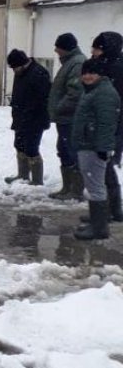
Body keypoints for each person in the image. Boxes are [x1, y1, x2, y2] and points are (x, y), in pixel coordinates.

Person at [71, 58, 121, 239]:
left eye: (92, 73)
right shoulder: (93, 90)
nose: (87, 76)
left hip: (94, 147)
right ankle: (96, 221)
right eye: (85, 73)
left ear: (100, 74)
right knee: (93, 185)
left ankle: (99, 228)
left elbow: (107, 124)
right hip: (88, 144)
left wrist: (103, 148)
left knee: (96, 186)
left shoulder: (104, 93)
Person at [47, 32, 85, 199]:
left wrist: (59, 108)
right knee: (63, 150)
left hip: (70, 118)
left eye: (58, 47)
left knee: (70, 151)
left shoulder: (76, 64)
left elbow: (75, 93)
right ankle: (67, 188)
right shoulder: (70, 62)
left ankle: (74, 190)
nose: (55, 50)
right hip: (65, 118)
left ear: (66, 48)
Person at [90, 31, 123, 223]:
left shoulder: (116, 69)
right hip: (103, 124)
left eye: (96, 48)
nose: (93, 52)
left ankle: (113, 210)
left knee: (104, 167)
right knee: (100, 168)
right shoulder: (104, 65)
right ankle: (106, 210)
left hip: (110, 126)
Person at [5, 49, 51, 185]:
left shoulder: (38, 73)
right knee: (19, 144)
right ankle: (23, 175)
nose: (14, 70)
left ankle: (37, 180)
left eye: (15, 67)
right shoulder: (20, 72)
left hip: (35, 119)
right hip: (20, 116)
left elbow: (42, 99)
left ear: (22, 63)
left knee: (31, 148)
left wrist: (30, 113)